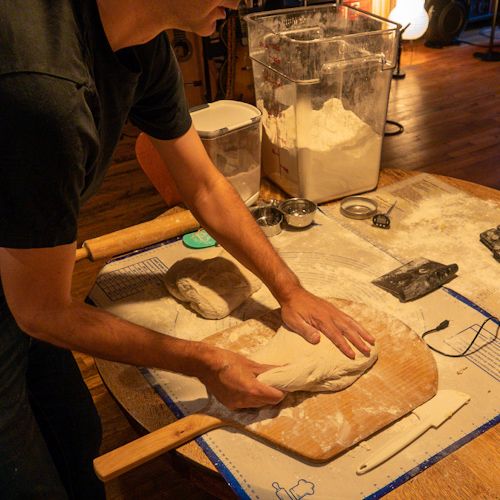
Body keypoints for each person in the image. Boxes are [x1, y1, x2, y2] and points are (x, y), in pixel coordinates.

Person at [0, 0, 375, 498]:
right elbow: (41, 311)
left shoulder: (139, 43)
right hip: (20, 281)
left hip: (21, 257)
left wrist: (289, 289)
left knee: (75, 435)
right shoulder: (44, 90)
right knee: (26, 480)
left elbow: (204, 186)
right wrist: (208, 362)